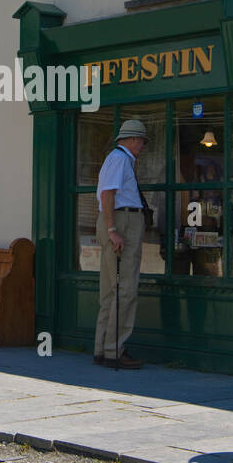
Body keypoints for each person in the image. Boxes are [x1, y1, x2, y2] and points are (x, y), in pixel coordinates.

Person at [94, 118, 150, 369]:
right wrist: (113, 229)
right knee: (125, 289)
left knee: (110, 290)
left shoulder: (115, 158)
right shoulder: (120, 159)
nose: (142, 147)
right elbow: (108, 194)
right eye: (142, 142)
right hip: (123, 219)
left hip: (118, 220)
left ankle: (103, 348)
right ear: (135, 139)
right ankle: (114, 350)